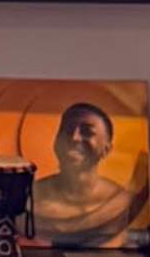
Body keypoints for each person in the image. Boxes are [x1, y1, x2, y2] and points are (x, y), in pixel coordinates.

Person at [28, 95, 140, 246]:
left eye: (87, 132)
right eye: (67, 130)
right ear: (55, 142)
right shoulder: (30, 197)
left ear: (106, 150)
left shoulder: (122, 204)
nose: (74, 138)